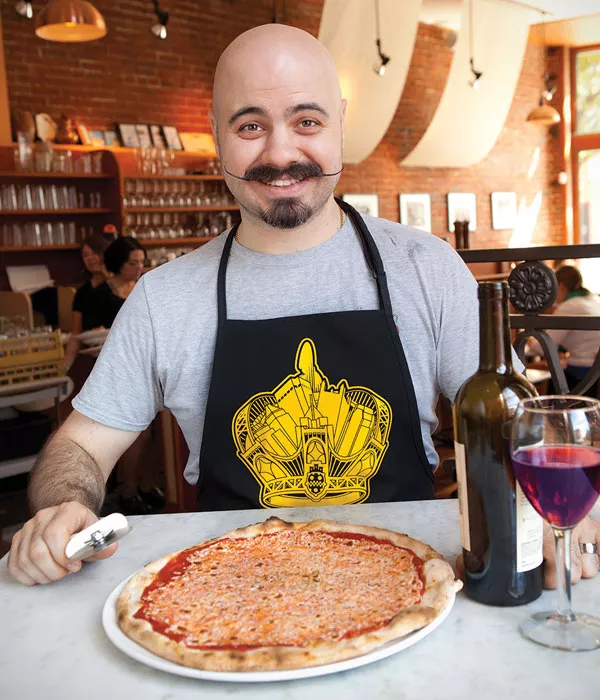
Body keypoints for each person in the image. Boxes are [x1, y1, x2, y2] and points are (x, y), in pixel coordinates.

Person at [8, 24, 598, 586]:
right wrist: (62, 507)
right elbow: (78, 447)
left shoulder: (426, 268)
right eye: (250, 126)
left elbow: (522, 427)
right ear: (216, 133)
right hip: (224, 602)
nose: (281, 152)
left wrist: (553, 515)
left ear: (340, 122)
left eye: (306, 121)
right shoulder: (166, 297)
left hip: (417, 583)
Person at [529, 265, 600, 397]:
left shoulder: (569, 307)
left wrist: (529, 339)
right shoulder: (594, 299)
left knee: (551, 384)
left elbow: (543, 347)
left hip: (583, 373)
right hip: (595, 370)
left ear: (560, 286)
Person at [62, 233, 112, 372]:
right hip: (92, 355)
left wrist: (109, 277)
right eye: (85, 255)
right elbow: (76, 333)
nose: (90, 258)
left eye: (94, 253)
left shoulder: (120, 287)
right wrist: (65, 367)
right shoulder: (82, 293)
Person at [92, 236, 147, 329]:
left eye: (142, 262)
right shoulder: (99, 294)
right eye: (132, 263)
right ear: (118, 263)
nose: (139, 267)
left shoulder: (145, 288)